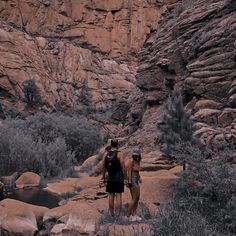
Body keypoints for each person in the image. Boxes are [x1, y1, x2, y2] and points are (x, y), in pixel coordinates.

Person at [100, 139, 128, 216]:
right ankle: (118, 214)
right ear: (117, 145)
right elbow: (123, 167)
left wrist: (103, 177)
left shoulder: (106, 154)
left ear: (111, 144)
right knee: (119, 195)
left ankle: (111, 214)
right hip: (119, 178)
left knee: (111, 195)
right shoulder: (120, 154)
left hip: (110, 177)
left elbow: (103, 166)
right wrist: (126, 178)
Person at [127, 148, 142, 221]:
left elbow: (137, 171)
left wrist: (139, 178)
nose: (136, 156)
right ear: (133, 155)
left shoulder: (138, 161)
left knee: (138, 198)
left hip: (136, 179)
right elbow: (129, 172)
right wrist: (129, 181)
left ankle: (134, 214)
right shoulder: (131, 161)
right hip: (132, 180)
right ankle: (128, 215)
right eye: (135, 155)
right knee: (134, 198)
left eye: (137, 155)